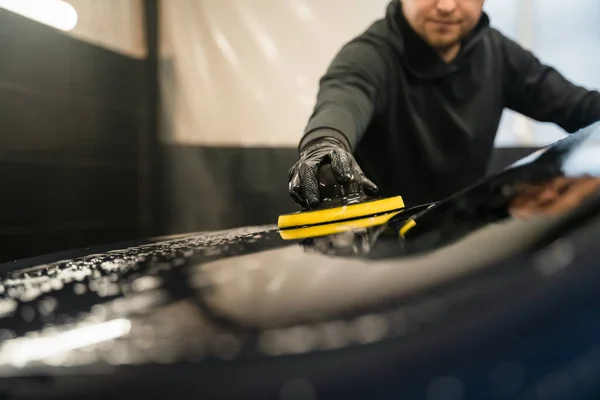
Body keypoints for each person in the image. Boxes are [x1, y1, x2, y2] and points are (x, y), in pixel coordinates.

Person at [287, 0, 600, 209]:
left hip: (461, 240)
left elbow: (580, 106)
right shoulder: (369, 56)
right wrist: (323, 144)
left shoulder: (500, 55)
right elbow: (342, 98)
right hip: (381, 251)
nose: (448, 6)